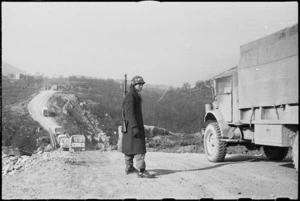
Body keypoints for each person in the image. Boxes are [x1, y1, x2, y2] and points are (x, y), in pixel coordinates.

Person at [121, 75, 155, 178]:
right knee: (139, 148)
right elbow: (130, 113)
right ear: (134, 85)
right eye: (139, 84)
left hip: (129, 127)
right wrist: (135, 126)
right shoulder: (131, 96)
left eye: (142, 84)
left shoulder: (132, 95)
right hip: (133, 127)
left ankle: (129, 167)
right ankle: (141, 170)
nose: (141, 86)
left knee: (130, 148)